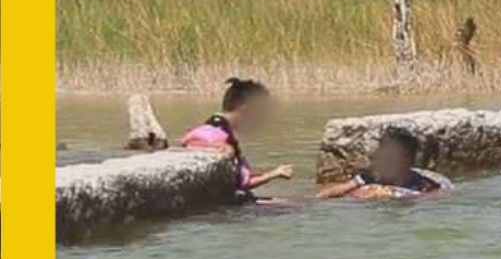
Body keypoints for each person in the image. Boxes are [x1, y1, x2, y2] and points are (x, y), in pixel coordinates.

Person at [181, 77, 294, 201]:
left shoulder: (222, 131)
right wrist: (274, 174)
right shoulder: (215, 134)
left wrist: (274, 173)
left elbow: (241, 182)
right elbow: (190, 141)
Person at [317, 128, 452, 199]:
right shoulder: (373, 175)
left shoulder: (423, 184)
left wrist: (393, 196)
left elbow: (441, 196)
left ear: (406, 159)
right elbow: (340, 189)